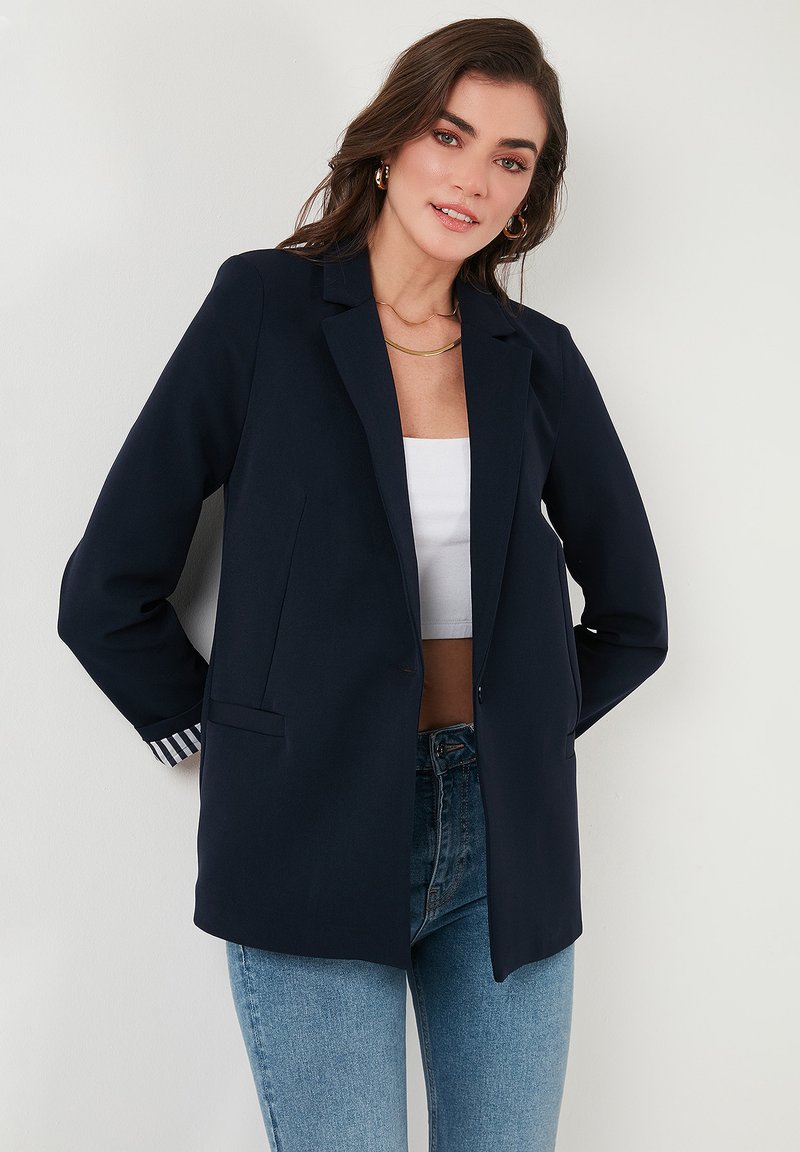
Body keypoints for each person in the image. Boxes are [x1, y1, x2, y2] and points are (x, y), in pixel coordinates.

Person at [57, 17, 668, 1151]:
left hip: (506, 838)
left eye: (511, 158)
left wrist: (522, 727)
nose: (472, 178)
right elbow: (105, 588)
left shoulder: (536, 357)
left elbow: (634, 619)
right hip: (307, 821)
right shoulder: (263, 309)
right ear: (390, 143)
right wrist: (229, 741)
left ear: (527, 197)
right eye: (450, 134)